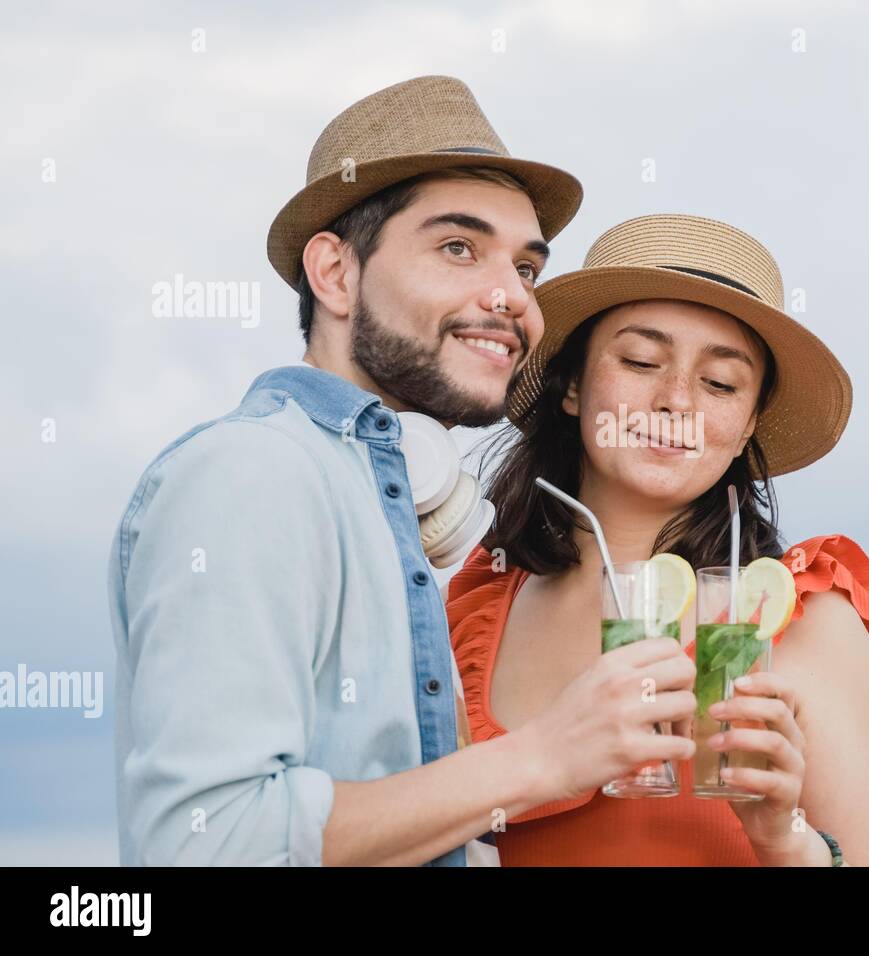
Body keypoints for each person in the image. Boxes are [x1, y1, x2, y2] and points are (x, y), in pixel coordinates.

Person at [107, 76, 700, 866]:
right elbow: (209, 842)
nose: (512, 297)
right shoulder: (251, 475)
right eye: (458, 248)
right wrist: (543, 758)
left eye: (526, 269)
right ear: (336, 274)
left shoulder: (392, 510)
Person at [447, 213, 869, 866]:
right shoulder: (477, 606)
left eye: (720, 383)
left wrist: (787, 842)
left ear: (748, 426)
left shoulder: (797, 620)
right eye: (640, 361)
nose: (675, 402)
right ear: (573, 387)